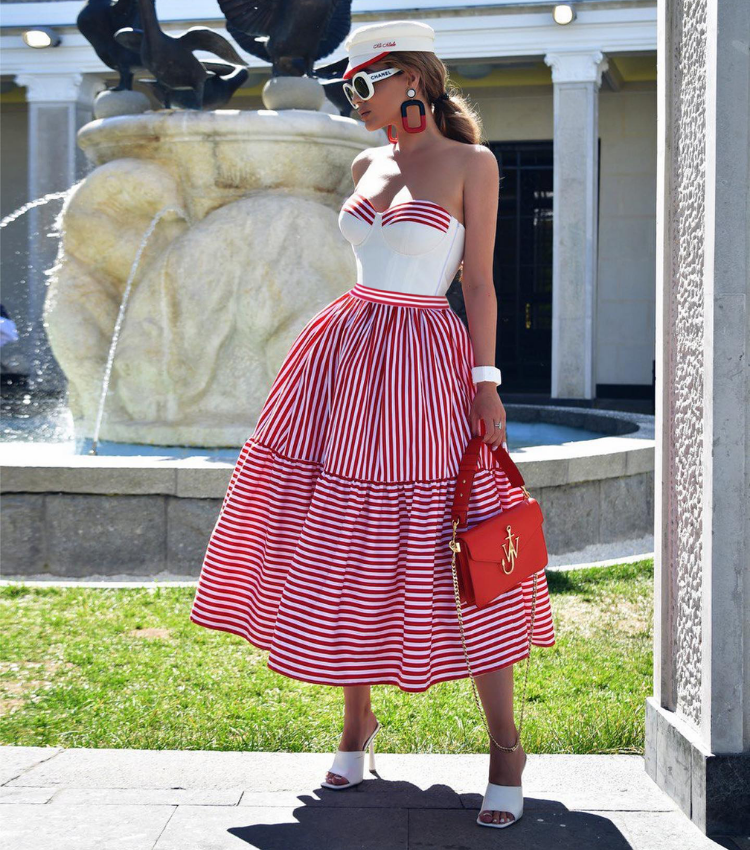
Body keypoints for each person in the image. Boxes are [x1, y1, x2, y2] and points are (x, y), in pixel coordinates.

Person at [189, 19, 556, 831]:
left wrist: (487, 383)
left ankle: (506, 748)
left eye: (363, 83)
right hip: (342, 353)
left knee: (456, 535)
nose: (352, 98)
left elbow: (480, 283)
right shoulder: (366, 162)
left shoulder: (473, 164)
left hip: (425, 358)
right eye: (346, 85)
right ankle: (357, 722)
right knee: (338, 537)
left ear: (410, 79)